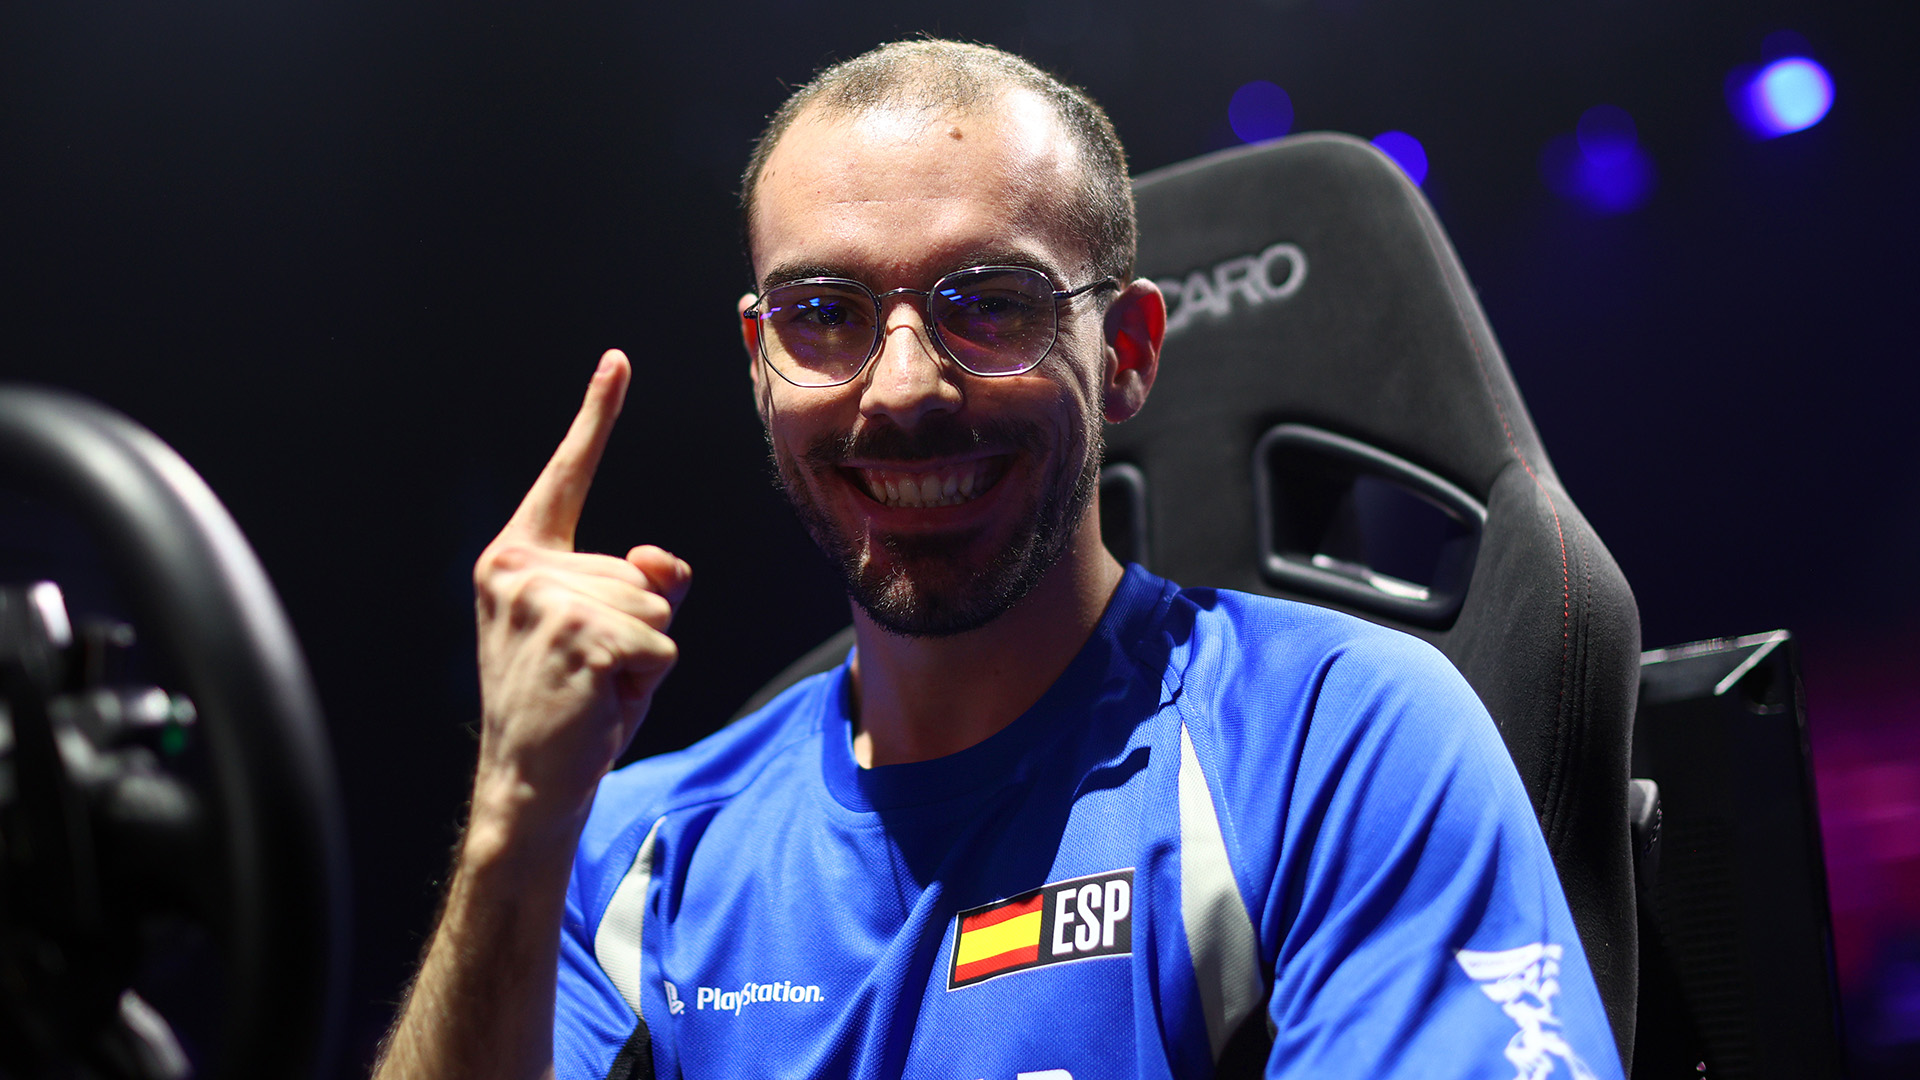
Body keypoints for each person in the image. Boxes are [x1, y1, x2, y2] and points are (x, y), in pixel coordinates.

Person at [375, 40, 1624, 1080]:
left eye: (990, 303)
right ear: (761, 365)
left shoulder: (1339, 742)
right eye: (824, 316)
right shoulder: (631, 851)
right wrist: (513, 819)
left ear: (1127, 352)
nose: (902, 389)